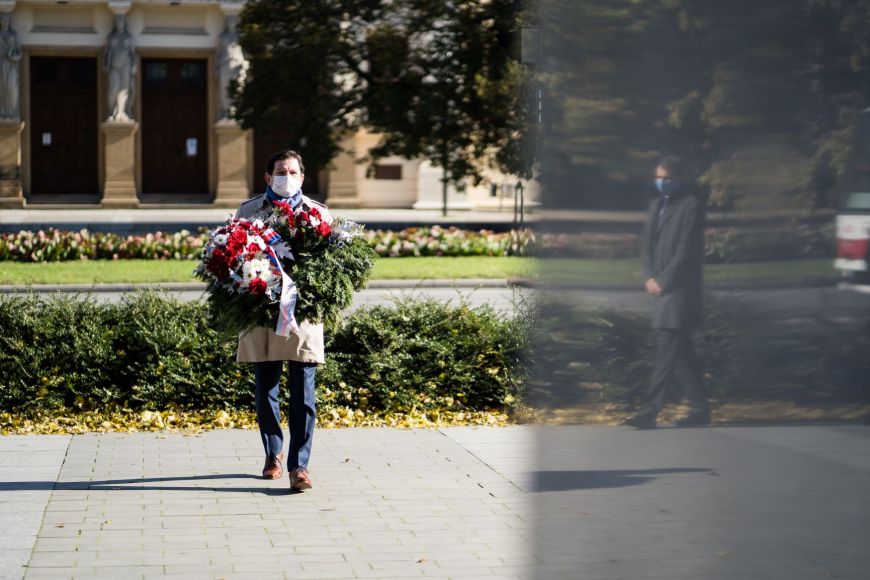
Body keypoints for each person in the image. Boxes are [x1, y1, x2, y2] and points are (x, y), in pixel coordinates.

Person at [235, 149, 331, 491]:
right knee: (266, 390)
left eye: (292, 171)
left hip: (302, 313)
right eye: (280, 171)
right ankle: (273, 455)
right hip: (261, 311)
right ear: (267, 177)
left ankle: (299, 467)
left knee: (304, 392)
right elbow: (233, 259)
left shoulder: (318, 213)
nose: (286, 177)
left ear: (302, 177)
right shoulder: (248, 211)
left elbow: (331, 268)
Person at [624, 155, 710, 429]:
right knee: (681, 352)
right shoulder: (655, 206)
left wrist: (664, 281)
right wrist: (649, 276)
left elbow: (686, 251)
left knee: (666, 348)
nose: (662, 182)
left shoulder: (691, 207)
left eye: (667, 178)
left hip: (679, 291)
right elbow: (646, 247)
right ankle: (700, 410)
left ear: (679, 179)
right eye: (659, 177)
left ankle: (650, 411)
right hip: (660, 287)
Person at [216, 16, 248, 120]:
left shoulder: (240, 36)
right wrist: (217, 67)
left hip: (237, 64)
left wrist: (245, 64)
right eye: (229, 21)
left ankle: (236, 111)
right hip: (225, 64)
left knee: (238, 87)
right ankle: (226, 111)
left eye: (233, 22)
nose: (231, 23)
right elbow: (219, 54)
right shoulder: (222, 37)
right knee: (224, 87)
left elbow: (245, 54)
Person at [104, 15, 135, 122]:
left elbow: (132, 53)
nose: (120, 23)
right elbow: (107, 52)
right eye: (118, 21)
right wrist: (106, 65)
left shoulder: (129, 37)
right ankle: (111, 111)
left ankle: (121, 112)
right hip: (113, 66)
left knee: (124, 90)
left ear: (124, 23)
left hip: (126, 65)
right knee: (113, 88)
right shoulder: (111, 37)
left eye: (122, 21)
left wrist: (134, 66)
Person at [0, 14, 21, 119]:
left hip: (11, 65)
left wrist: (12, 57)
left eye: (7, 19)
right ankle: (3, 113)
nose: (5, 21)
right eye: (3, 19)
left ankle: (12, 112)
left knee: (11, 87)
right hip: (0, 64)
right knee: (1, 88)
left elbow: (19, 53)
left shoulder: (14, 35)